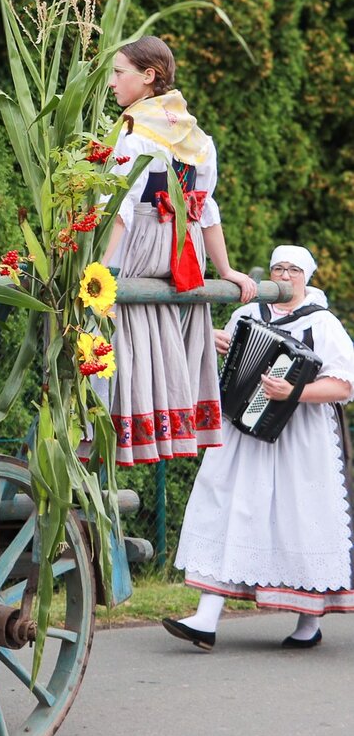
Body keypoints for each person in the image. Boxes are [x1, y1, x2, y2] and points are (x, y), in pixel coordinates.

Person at [164, 245, 354, 651]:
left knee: (302, 516)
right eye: (278, 268)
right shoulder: (248, 314)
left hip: (302, 438)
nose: (284, 276)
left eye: (293, 270)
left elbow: (343, 384)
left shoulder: (322, 323)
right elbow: (232, 368)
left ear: (307, 277)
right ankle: (206, 617)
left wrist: (294, 390)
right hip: (242, 431)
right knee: (225, 506)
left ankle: (308, 622)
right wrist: (215, 344)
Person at [98, 37, 257, 466]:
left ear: (148, 77)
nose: (112, 83)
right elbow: (204, 208)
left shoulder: (131, 133)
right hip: (181, 250)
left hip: (138, 245)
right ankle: (163, 426)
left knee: (115, 330)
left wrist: (99, 272)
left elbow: (119, 211)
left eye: (118, 72)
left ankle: (109, 433)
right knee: (158, 327)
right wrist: (226, 269)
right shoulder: (198, 136)